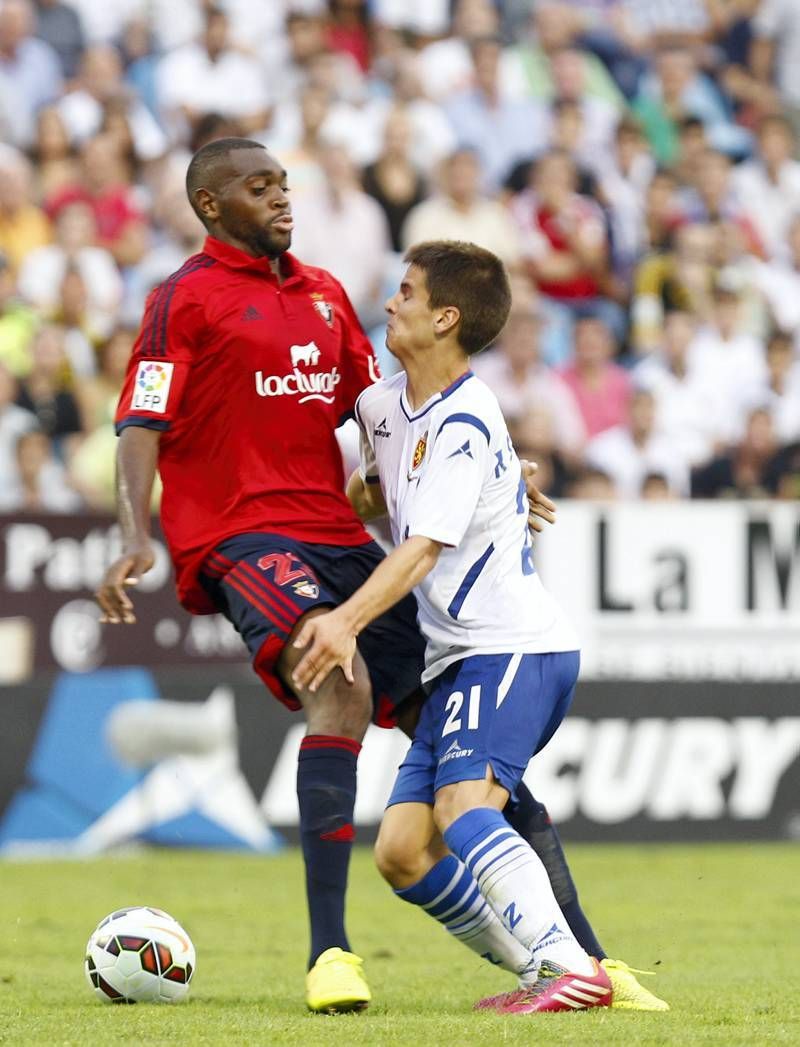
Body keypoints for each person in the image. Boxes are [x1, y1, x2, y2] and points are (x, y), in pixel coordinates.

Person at [95, 138, 661, 1015]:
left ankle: (581, 958)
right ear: (212, 207)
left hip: (338, 531)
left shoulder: (324, 295)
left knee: (461, 751)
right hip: (241, 537)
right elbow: (139, 422)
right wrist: (135, 534)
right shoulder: (182, 300)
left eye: (286, 185)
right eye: (260, 188)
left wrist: (498, 479)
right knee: (344, 679)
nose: (283, 199)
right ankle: (331, 953)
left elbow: (395, 413)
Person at [292, 241, 668, 1013]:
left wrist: (345, 621)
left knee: (465, 809)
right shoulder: (382, 407)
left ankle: (570, 966)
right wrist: (498, 483)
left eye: (405, 292)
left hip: (511, 648)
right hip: (457, 660)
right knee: (401, 851)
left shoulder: (467, 420)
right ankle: (546, 967)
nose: (389, 303)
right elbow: (376, 498)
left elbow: (422, 550)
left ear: (445, 317)